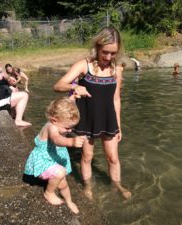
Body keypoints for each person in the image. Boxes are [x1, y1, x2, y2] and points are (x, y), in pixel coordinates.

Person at [53, 26, 132, 200]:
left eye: (113, 53)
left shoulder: (116, 69)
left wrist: (118, 125)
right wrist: (75, 86)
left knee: (113, 157)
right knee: (87, 156)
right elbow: (58, 85)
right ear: (97, 47)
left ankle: (117, 185)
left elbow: (116, 98)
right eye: (105, 52)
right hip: (87, 118)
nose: (109, 57)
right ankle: (88, 186)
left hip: (108, 118)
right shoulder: (84, 65)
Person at [24, 97, 86, 214]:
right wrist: (71, 142)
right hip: (43, 160)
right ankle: (49, 193)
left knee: (63, 184)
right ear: (54, 120)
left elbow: (66, 101)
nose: (69, 131)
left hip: (51, 158)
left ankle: (69, 201)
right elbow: (57, 139)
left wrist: (73, 97)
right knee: (60, 172)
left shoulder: (57, 124)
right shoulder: (51, 127)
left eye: (72, 127)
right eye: (67, 128)